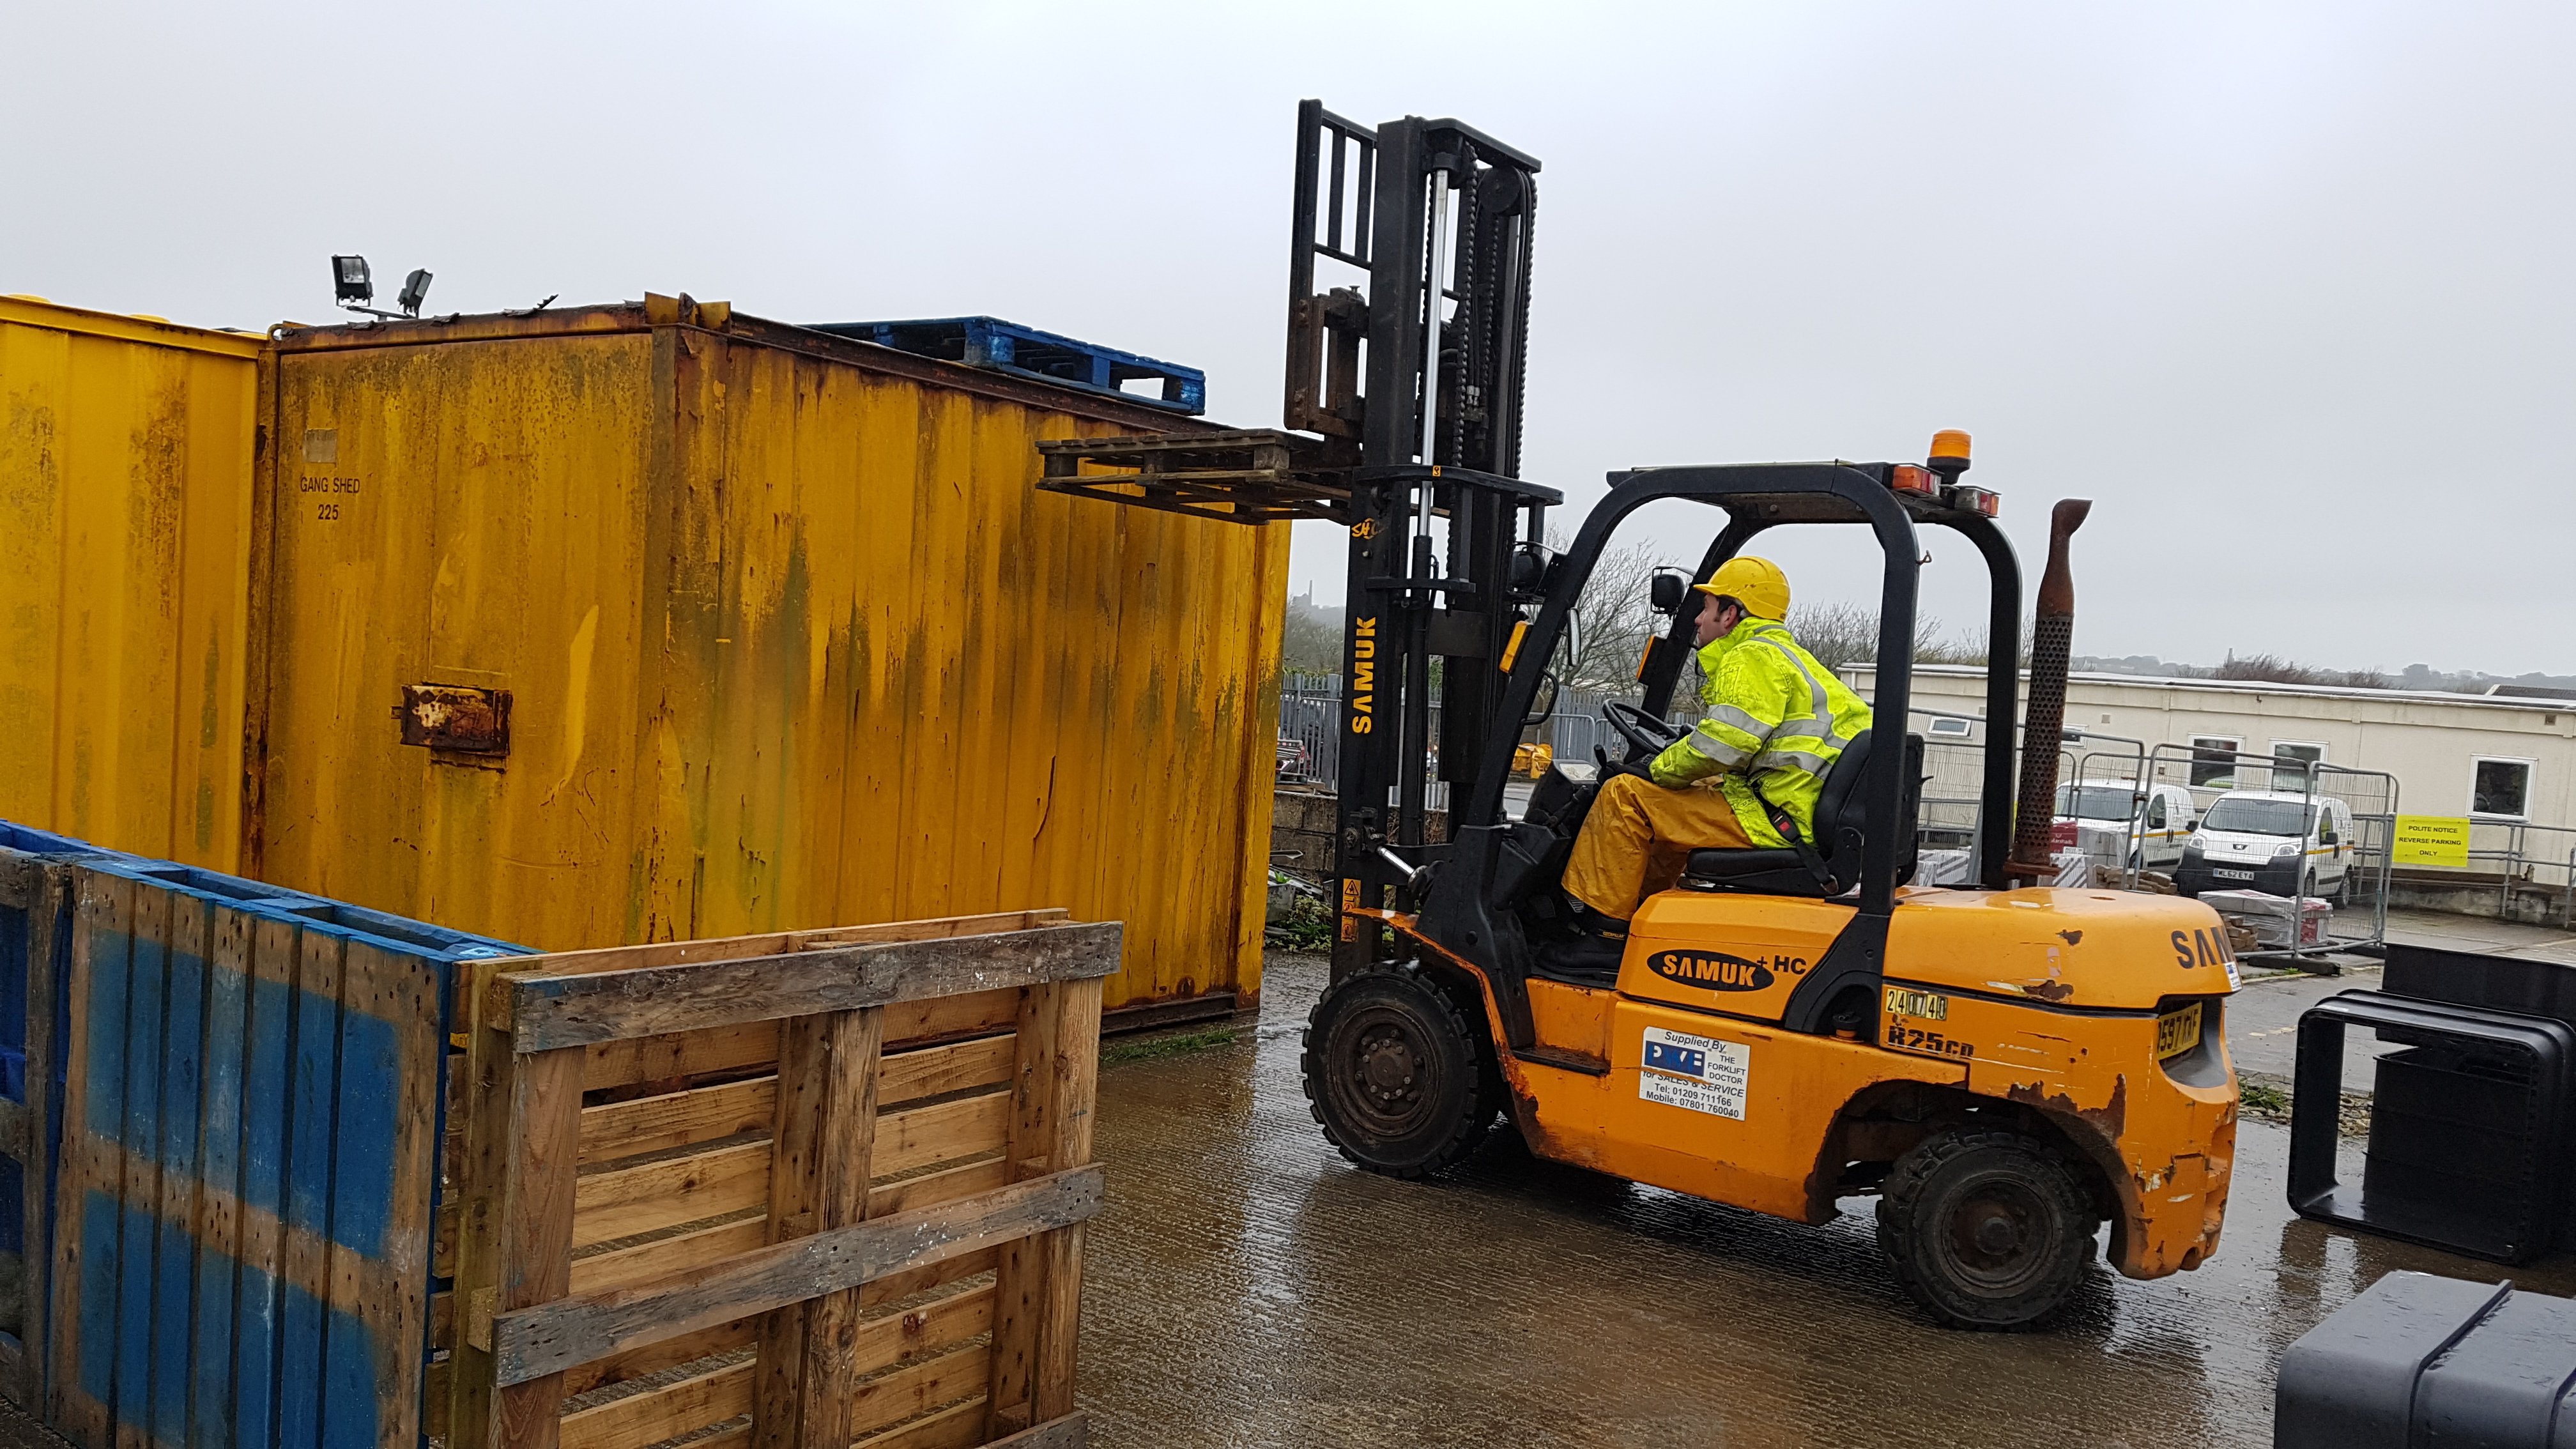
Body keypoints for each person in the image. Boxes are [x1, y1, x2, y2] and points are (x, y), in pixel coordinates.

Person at [1549, 556, 1873, 972]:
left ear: (1731, 614)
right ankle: (1644, 918)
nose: (1698, 621)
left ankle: (1605, 936)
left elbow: (1726, 743)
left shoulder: (1749, 656)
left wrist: (1657, 769)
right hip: (1794, 812)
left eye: (1706, 609)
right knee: (1670, 801)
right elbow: (1755, 747)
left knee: (1624, 795)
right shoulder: (1797, 662)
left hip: (1777, 821)